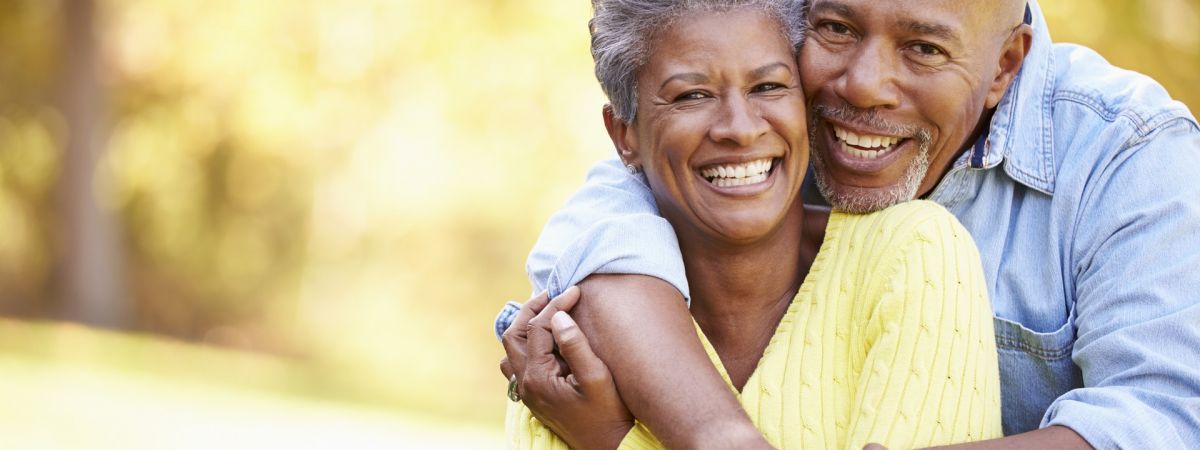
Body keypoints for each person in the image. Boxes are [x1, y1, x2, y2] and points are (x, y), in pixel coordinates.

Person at [499, 0, 1200, 448]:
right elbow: (610, 222)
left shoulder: (1127, 153)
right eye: (835, 28)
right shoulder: (768, 118)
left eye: (923, 48)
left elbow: (1167, 420)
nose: (862, 85)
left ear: (1004, 67)